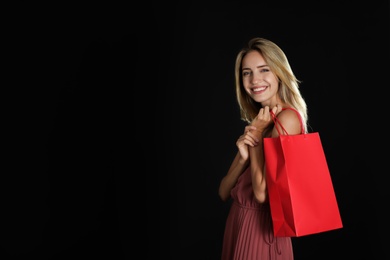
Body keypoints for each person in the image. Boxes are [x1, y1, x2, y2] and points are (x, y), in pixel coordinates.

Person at [218, 37, 308, 260]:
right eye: (247, 72)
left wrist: (256, 139)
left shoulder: (287, 119)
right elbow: (222, 192)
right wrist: (243, 157)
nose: (254, 79)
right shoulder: (261, 121)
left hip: (261, 232)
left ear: (279, 73)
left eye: (263, 70)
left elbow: (261, 194)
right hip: (238, 224)